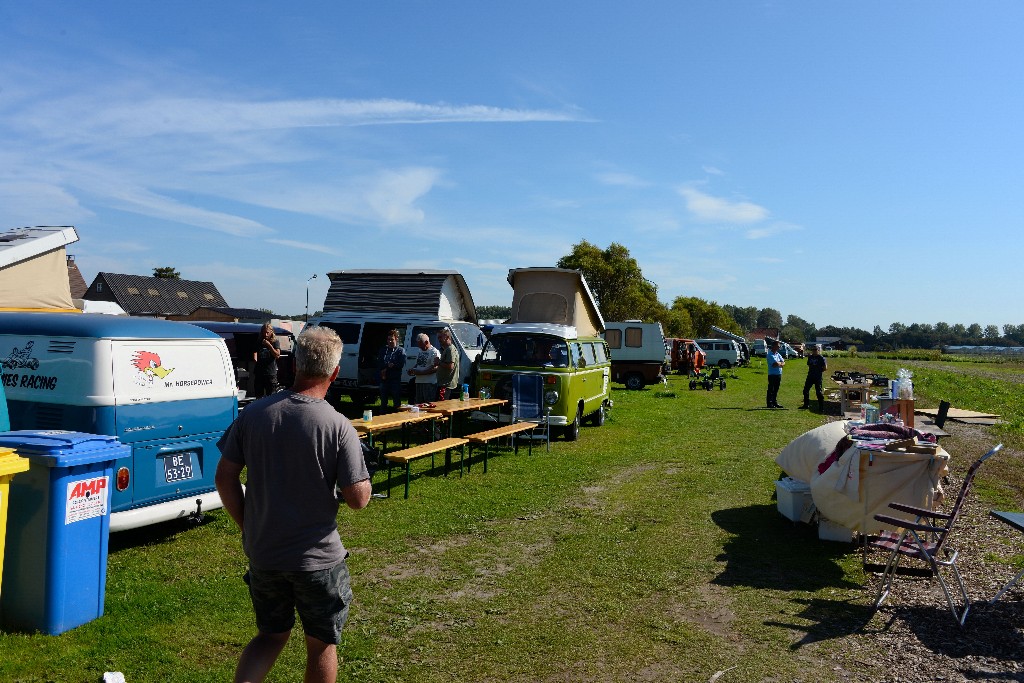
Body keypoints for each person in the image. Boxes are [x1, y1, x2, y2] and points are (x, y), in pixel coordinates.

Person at [215, 326, 372, 683]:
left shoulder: (254, 414)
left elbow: (225, 476)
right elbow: (358, 499)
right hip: (316, 559)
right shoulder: (337, 425)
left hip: (265, 554)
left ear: (294, 364)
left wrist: (247, 526)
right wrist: (363, 473)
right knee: (321, 645)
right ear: (334, 372)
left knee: (270, 636)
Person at [376, 329, 407, 412]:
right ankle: (382, 417)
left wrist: (394, 365)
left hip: (394, 379)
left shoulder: (400, 351)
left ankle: (398, 418)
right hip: (384, 379)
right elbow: (379, 362)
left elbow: (401, 364)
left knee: (396, 400)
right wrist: (387, 366)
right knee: (383, 401)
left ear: (396, 339)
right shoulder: (383, 350)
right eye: (388, 339)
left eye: (392, 339)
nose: (390, 341)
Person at [408, 332, 440, 404]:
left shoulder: (434, 352)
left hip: (429, 383)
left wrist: (421, 372)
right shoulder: (420, 351)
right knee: (418, 404)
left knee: (428, 403)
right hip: (419, 381)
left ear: (426, 342)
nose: (419, 347)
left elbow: (435, 367)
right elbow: (419, 363)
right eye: (418, 344)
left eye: (420, 345)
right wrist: (413, 369)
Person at [253, 323, 281, 397]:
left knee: (271, 397)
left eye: (267, 332)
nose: (265, 334)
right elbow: (255, 351)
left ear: (271, 332)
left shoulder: (275, 342)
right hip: (259, 373)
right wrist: (255, 357)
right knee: (258, 396)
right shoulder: (259, 341)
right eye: (264, 332)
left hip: (270, 374)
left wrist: (269, 345)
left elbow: (277, 355)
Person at [801, 344, 827, 411]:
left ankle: (821, 407)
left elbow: (825, 368)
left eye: (815, 350)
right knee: (805, 390)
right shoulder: (810, 357)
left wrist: (818, 371)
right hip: (810, 376)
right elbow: (809, 365)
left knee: (819, 392)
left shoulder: (821, 358)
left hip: (818, 377)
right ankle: (806, 405)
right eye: (813, 350)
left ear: (818, 350)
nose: (814, 351)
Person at [435, 328, 460, 400]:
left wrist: (439, 362)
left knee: (442, 406)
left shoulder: (450, 349)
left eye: (440, 337)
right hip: (443, 384)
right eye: (438, 337)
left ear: (447, 337)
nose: (439, 339)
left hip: (446, 385)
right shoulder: (446, 349)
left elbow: (450, 366)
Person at [766, 340, 786, 409]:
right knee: (771, 389)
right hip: (772, 375)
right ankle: (769, 403)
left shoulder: (778, 354)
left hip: (778, 374)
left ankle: (774, 402)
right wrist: (780, 363)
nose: (779, 347)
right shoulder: (770, 354)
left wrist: (780, 363)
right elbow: (775, 364)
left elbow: (783, 362)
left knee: (776, 389)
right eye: (778, 346)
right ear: (774, 346)